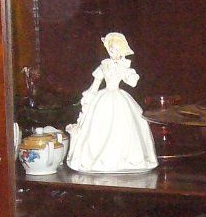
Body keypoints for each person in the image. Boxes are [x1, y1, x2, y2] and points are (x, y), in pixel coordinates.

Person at [65, 32, 158, 173]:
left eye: (116, 50)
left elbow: (132, 82)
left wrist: (128, 73)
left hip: (120, 98)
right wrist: (89, 94)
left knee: (125, 126)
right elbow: (95, 84)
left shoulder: (123, 66)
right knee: (100, 127)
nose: (112, 52)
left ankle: (128, 160)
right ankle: (98, 161)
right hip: (104, 98)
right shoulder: (104, 66)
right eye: (111, 49)